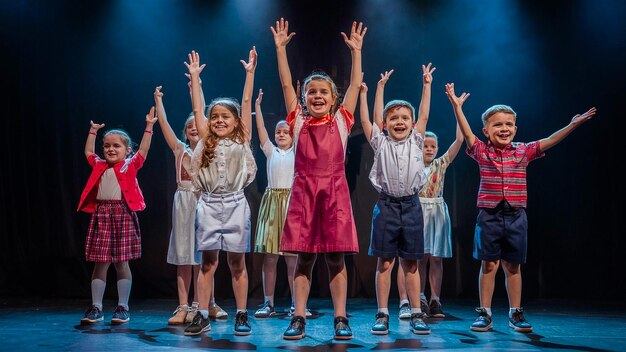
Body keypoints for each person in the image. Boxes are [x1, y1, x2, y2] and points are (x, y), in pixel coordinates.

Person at [444, 82, 597, 333]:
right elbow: (466, 132)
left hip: (516, 215)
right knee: (489, 265)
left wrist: (572, 124)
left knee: (513, 266)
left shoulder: (523, 151)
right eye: (497, 125)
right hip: (489, 215)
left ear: (515, 128)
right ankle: (485, 313)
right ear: (486, 130)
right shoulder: (481, 151)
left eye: (508, 124)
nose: (504, 129)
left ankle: (516, 313)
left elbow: (549, 140)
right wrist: (456, 106)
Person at [271, 18, 364, 340]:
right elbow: (285, 86)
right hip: (304, 193)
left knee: (336, 258)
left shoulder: (341, 120)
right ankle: (298, 317)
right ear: (304, 96)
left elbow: (354, 85)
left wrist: (356, 52)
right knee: (305, 259)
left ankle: (340, 317)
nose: (318, 95)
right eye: (312, 91)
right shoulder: (297, 120)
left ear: (333, 97)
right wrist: (281, 50)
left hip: (334, 192)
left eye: (324, 91)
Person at [182, 47, 257, 336]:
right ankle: (201, 314)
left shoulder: (243, 137)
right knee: (208, 262)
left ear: (236, 120)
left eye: (226, 116)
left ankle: (241, 313)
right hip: (210, 205)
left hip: (236, 204)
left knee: (237, 261)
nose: (219, 120)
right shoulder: (205, 138)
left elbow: (247, 100)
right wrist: (195, 80)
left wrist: (249, 75)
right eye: (215, 117)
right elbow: (198, 110)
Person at [361, 64, 435, 336]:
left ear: (412, 124)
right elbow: (368, 120)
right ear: (386, 124)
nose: (399, 122)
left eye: (405, 118)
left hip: (411, 206)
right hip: (387, 205)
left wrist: (427, 86)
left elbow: (425, 114)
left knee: (411, 264)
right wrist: (378, 89)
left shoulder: (417, 140)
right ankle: (382, 314)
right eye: (393, 119)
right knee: (385, 263)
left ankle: (416, 312)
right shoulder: (380, 142)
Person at [153, 85, 227, 325]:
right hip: (183, 202)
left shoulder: (208, 148)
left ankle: (203, 303)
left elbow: (201, 111)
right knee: (184, 254)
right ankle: (183, 305)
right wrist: (158, 100)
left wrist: (197, 84)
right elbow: (163, 125)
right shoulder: (179, 150)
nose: (194, 128)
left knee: (204, 255)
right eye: (189, 126)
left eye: (197, 125)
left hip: (204, 200)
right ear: (185, 132)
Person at [77, 107, 157, 325]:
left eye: (116, 146)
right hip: (102, 215)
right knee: (100, 263)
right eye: (107, 146)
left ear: (127, 150)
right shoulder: (99, 165)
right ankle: (96, 307)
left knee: (122, 263)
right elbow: (87, 153)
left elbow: (144, 152)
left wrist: (149, 126)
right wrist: (92, 132)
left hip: (123, 213)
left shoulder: (129, 165)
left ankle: (123, 306)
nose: (110, 149)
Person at [395, 123, 464, 319]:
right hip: (417, 209)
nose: (429, 149)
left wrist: (458, 114)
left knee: (436, 257)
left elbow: (459, 140)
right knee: (418, 258)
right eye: (425, 146)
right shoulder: (412, 163)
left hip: (437, 211)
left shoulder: (440, 164)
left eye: (433, 146)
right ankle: (420, 297)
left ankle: (435, 299)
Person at [251, 88, 299, 319]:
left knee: (292, 259)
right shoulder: (270, 151)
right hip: (272, 205)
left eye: (285, 131)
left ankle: (295, 304)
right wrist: (258, 108)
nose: (280, 134)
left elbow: (299, 126)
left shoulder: (297, 152)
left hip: (291, 204)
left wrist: (296, 104)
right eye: (277, 131)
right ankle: (268, 302)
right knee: (270, 258)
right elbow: (259, 130)